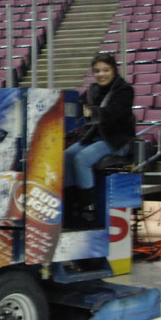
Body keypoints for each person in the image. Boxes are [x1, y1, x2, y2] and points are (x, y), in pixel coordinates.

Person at [64, 53, 135, 227]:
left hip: (117, 141)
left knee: (82, 158)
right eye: (97, 71)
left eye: (105, 70)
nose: (101, 74)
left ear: (114, 70)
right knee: (66, 156)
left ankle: (89, 208)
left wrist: (92, 112)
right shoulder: (93, 89)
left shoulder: (125, 90)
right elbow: (78, 104)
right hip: (95, 137)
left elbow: (113, 112)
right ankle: (72, 205)